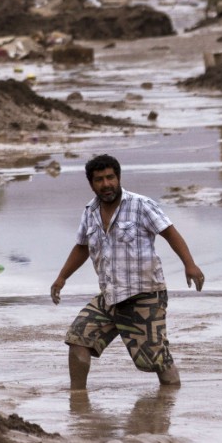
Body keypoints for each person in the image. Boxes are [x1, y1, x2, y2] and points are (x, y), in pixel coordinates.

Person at [50, 154, 204, 390]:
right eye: (99, 179)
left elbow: (170, 232)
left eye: (110, 177)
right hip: (110, 295)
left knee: (155, 359)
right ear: (91, 184)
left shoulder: (140, 205)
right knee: (78, 339)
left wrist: (190, 265)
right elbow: (82, 247)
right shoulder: (90, 212)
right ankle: (77, 398)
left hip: (144, 295)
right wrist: (62, 278)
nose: (106, 184)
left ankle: (170, 400)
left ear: (119, 178)